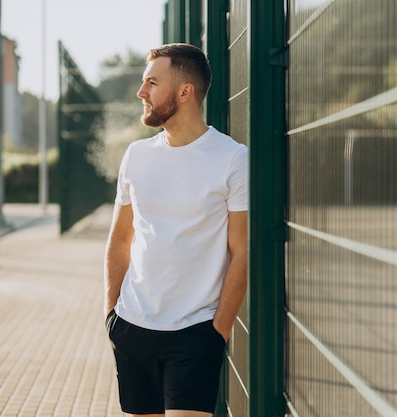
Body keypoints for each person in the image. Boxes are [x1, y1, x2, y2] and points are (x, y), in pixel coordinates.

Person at [103, 43, 248, 417]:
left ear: (185, 92)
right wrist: (112, 315)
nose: (141, 92)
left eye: (152, 82)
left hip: (196, 333)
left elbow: (242, 250)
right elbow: (120, 239)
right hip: (133, 326)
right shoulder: (137, 155)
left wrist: (219, 331)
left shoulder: (233, 159)